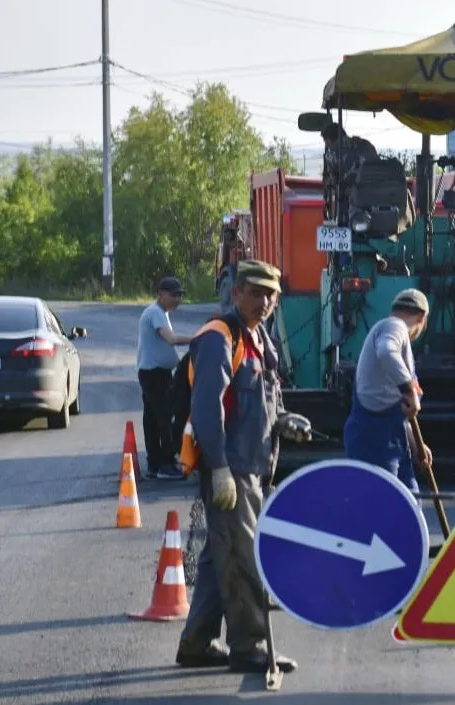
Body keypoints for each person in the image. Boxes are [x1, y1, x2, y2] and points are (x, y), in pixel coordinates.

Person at [175, 259, 311, 674]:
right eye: (255, 292)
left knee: (221, 559)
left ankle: (196, 643)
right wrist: (217, 467)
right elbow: (206, 409)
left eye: (271, 294)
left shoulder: (259, 338)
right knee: (245, 557)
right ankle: (249, 646)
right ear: (235, 293)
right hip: (231, 470)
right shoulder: (220, 337)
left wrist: (284, 419)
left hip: (253, 467)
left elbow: (265, 397)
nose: (264, 301)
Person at [343, 289, 432, 493]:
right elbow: (386, 351)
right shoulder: (394, 326)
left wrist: (417, 445)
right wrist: (409, 390)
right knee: (383, 507)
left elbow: (400, 409)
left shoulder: (393, 335)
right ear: (422, 317)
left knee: (410, 503)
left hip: (393, 439)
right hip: (374, 439)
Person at [137, 276, 194, 481]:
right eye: (173, 295)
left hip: (154, 373)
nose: (177, 299)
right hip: (155, 375)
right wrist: (198, 338)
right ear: (161, 294)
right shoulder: (156, 313)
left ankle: (155, 464)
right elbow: (172, 339)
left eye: (179, 295)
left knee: (152, 420)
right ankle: (166, 463)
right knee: (164, 419)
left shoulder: (160, 313)